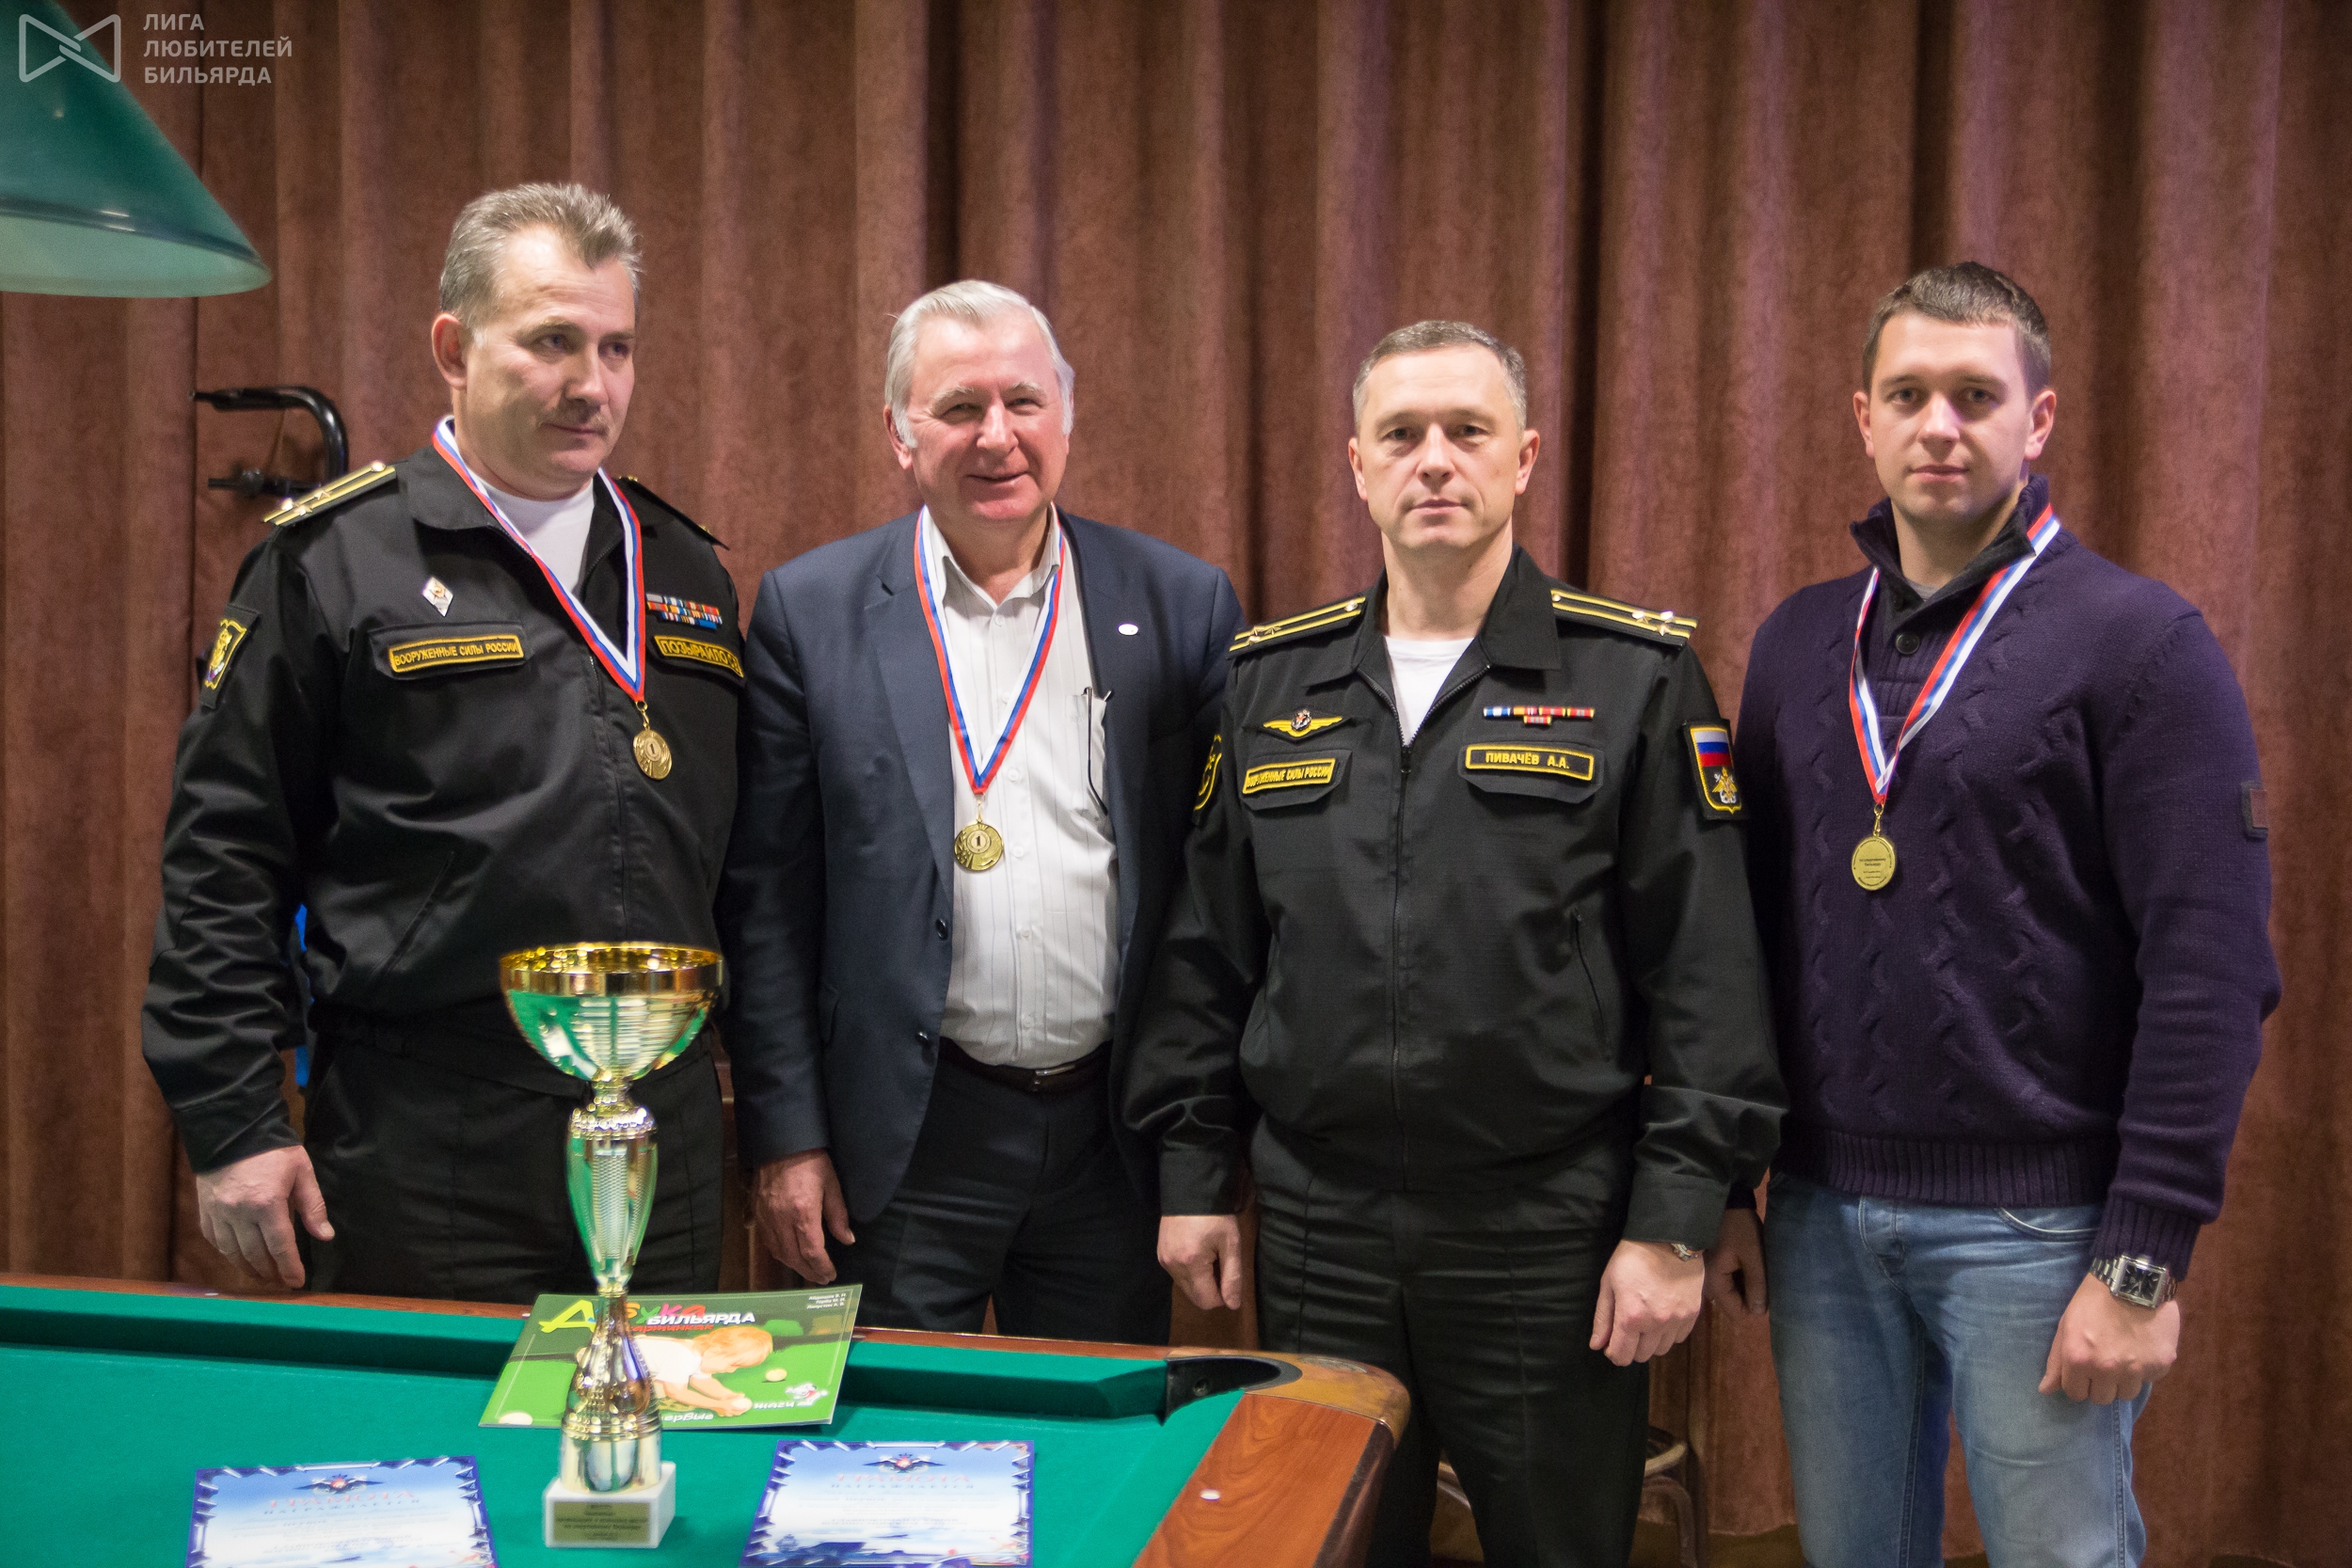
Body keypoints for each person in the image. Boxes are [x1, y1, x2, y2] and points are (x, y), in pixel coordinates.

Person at [1126, 320, 1784, 1565]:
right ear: (1357, 465)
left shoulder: (1633, 676)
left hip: (1545, 1226)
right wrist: (1192, 1170)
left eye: (1468, 431)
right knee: (1328, 1543)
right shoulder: (1271, 681)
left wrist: (1675, 1219)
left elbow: (1708, 969)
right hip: (1318, 1223)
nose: (1434, 459)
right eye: (1401, 434)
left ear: (1524, 457)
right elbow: (1206, 950)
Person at [1723, 261, 2278, 1564]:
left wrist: (2141, 1256)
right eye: (1908, 394)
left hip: (2039, 1229)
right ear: (1863, 417)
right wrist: (1731, 1180)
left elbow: (2209, 968)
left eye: (1976, 396)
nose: (1940, 425)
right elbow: (1740, 940)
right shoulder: (1795, 642)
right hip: (1820, 1213)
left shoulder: (2142, 643)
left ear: (2039, 420)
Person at [142, 183, 741, 1303]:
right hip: (429, 1136)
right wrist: (232, 1118)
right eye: (552, 341)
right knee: (437, 1421)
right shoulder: (334, 560)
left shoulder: (685, 566)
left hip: (664, 1133)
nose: (592, 384)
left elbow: (748, 870)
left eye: (616, 347)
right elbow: (225, 857)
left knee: (659, 1416)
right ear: (454, 350)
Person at [720, 280, 1243, 1342]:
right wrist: (787, 1137)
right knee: (895, 1433)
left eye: (1023, 401)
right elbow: (767, 901)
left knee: (1095, 1431)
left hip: (1113, 1135)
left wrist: (1201, 1155)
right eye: (959, 407)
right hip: (905, 1137)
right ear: (898, 432)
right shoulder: (810, 613)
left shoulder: (1180, 603)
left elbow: (1216, 900)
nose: (996, 436)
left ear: (1066, 414)